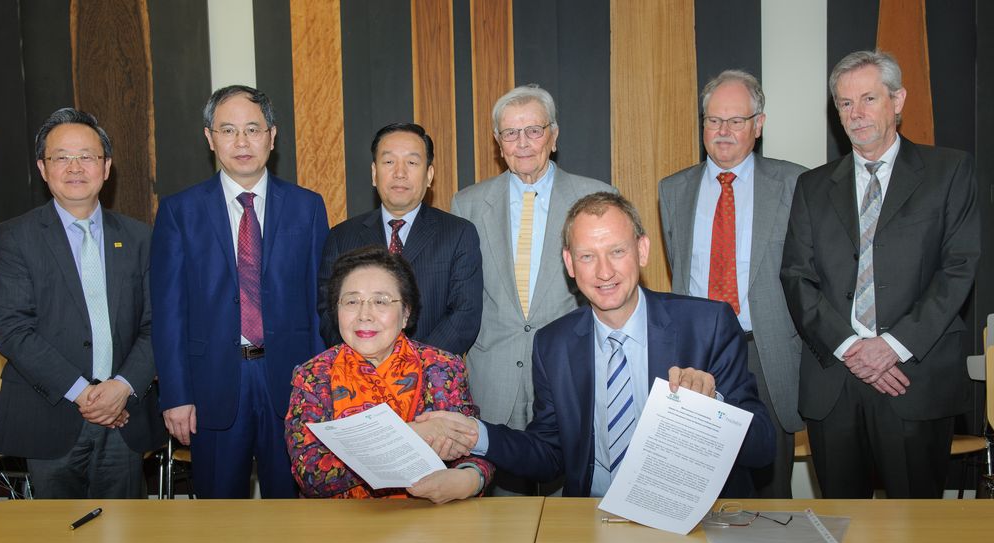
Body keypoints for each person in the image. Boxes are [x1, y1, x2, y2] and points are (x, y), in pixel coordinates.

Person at [420, 192, 774, 497]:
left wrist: (713, 408)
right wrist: (475, 435)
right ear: (570, 264)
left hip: (688, 520)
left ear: (642, 250)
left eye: (617, 251)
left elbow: (763, 448)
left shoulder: (707, 325)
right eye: (587, 256)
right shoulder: (553, 344)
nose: (604, 272)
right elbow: (549, 453)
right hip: (592, 516)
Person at [780, 50, 980, 498]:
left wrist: (891, 346)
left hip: (913, 379)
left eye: (869, 98)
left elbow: (959, 268)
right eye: (845, 104)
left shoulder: (948, 172)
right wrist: (854, 349)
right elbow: (796, 276)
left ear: (898, 100)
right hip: (835, 381)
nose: (857, 114)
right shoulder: (811, 186)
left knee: (915, 528)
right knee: (841, 524)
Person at [152, 85, 330, 498]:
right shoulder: (180, 212)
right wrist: (175, 395)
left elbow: (320, 304)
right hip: (211, 383)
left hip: (291, 383)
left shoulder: (307, 207)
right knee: (218, 513)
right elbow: (168, 312)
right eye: (228, 130)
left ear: (272, 135)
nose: (242, 141)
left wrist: (322, 389)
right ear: (209, 138)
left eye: (253, 129)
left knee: (291, 509)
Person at [0, 108, 162, 498]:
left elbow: (158, 324)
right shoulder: (16, 238)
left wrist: (121, 387)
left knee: (127, 533)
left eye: (87, 156)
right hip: (50, 415)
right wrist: (83, 392)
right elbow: (12, 329)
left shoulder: (139, 239)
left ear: (107, 166)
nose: (75, 166)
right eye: (61, 157)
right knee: (56, 536)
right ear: (43, 168)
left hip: (124, 415)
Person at [658, 69, 806, 498]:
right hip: (698, 352)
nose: (723, 131)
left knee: (770, 486)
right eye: (713, 120)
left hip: (767, 351)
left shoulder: (795, 183)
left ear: (758, 125)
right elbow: (679, 268)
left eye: (736, 121)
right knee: (697, 485)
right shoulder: (673, 190)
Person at [450, 85, 612, 466]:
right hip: (493, 380)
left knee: (569, 509)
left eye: (534, 131)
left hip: (570, 373)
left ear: (553, 136)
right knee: (495, 514)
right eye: (510, 133)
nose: (522, 143)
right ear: (498, 142)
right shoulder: (467, 204)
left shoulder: (597, 198)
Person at [287, 246, 493, 502]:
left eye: (380, 301)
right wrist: (412, 435)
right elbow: (310, 474)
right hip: (341, 524)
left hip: (428, 517)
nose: (364, 315)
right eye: (351, 301)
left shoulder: (441, 367)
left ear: (406, 313)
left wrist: (470, 479)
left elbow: (475, 450)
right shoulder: (313, 376)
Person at [318, 123, 482, 355]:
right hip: (359, 379)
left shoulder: (458, 234)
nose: (400, 172)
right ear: (374, 174)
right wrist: (369, 365)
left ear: (429, 175)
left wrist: (412, 366)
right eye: (389, 162)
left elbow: (465, 314)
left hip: (430, 377)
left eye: (412, 162)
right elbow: (328, 312)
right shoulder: (341, 237)